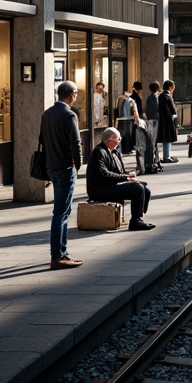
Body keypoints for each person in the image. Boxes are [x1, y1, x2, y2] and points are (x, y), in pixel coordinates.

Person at [40, 80, 83, 269]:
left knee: (61, 212)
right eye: (76, 94)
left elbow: (42, 140)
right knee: (61, 213)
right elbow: (76, 142)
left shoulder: (47, 113)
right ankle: (58, 255)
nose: (76, 97)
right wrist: (78, 165)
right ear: (71, 94)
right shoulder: (69, 115)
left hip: (51, 166)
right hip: (65, 167)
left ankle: (62, 252)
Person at [86, 127, 155, 230]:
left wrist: (128, 176)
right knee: (138, 189)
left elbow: (120, 172)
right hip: (100, 189)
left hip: (111, 185)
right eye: (118, 139)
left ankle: (139, 217)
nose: (119, 142)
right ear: (110, 140)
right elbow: (104, 174)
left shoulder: (115, 152)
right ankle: (135, 222)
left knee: (145, 189)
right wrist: (125, 178)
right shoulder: (99, 152)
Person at [158, 79, 179, 163]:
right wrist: (175, 114)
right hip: (168, 120)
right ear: (170, 87)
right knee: (168, 138)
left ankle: (166, 155)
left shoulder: (160, 96)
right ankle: (166, 156)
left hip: (161, 119)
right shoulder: (168, 96)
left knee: (165, 138)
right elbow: (172, 109)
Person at [142, 81, 160, 174]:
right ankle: (152, 162)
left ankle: (154, 161)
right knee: (152, 141)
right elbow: (154, 109)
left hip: (151, 120)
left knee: (152, 142)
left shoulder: (150, 97)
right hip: (154, 120)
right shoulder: (154, 97)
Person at [115, 86, 138, 155]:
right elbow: (134, 110)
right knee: (127, 135)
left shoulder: (119, 99)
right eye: (129, 92)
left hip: (121, 119)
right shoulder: (130, 100)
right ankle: (127, 149)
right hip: (129, 119)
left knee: (122, 135)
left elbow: (116, 109)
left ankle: (121, 149)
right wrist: (136, 119)